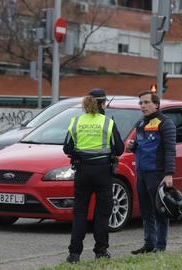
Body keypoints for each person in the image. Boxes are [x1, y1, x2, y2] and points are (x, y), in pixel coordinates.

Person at [63, 88, 124, 263]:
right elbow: (119, 149)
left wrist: (81, 153)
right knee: (102, 212)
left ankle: (74, 254)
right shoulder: (107, 123)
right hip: (103, 171)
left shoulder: (76, 121)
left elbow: (67, 148)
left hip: (82, 171)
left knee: (80, 212)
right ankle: (101, 251)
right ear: (103, 103)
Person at [127, 91, 176, 254]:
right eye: (141, 103)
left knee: (160, 210)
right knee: (146, 211)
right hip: (141, 173)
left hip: (157, 173)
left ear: (156, 104)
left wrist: (169, 174)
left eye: (146, 102)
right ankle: (149, 244)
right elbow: (142, 147)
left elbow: (170, 150)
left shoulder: (165, 123)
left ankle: (160, 246)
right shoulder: (141, 124)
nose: (143, 106)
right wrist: (133, 147)